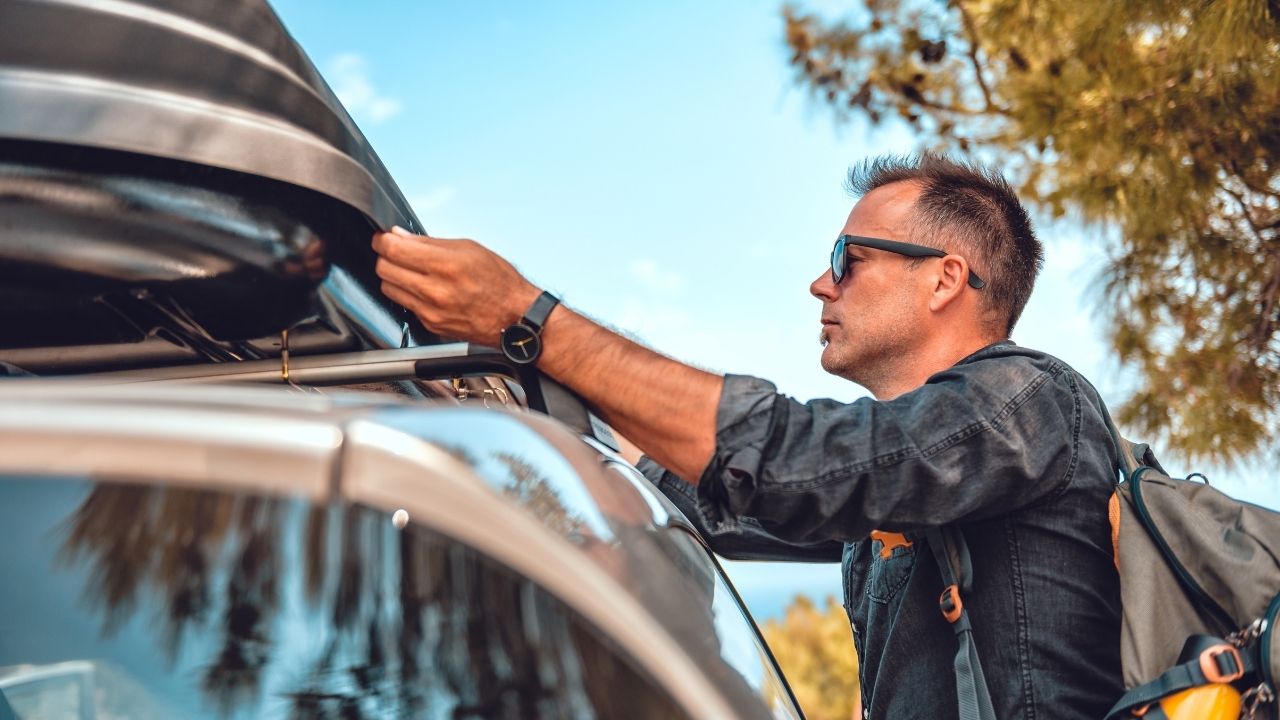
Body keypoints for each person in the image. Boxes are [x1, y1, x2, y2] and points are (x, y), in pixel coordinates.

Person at [371, 153, 1123, 719]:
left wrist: (531, 319)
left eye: (847, 261)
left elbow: (796, 459)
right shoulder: (902, 486)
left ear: (943, 279)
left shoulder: (1030, 401)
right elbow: (713, 498)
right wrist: (507, 400)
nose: (821, 284)